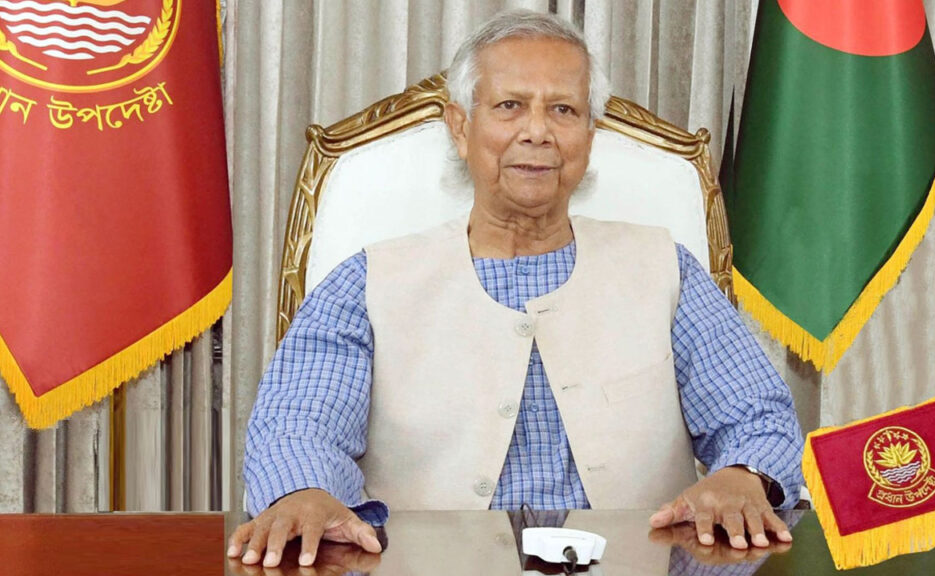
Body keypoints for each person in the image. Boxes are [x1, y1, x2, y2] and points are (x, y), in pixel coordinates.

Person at [228, 10, 804, 569]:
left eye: (563, 109)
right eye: (510, 106)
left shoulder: (665, 269)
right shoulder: (367, 281)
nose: (537, 131)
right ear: (461, 127)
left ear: (590, 134)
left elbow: (756, 416)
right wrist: (304, 491)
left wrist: (743, 475)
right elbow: (298, 425)